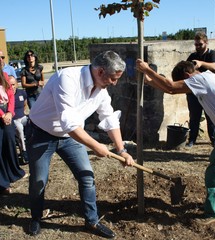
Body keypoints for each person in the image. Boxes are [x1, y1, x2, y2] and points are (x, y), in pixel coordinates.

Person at [27, 51, 135, 238]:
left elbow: (109, 117)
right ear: (100, 71)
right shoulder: (67, 78)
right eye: (113, 78)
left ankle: (92, 221)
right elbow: (68, 123)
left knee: (87, 177)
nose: (114, 83)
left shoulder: (101, 89)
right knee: (39, 181)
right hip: (41, 133)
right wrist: (96, 146)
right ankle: (36, 218)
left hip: (70, 137)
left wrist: (122, 150)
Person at [136, 58, 215, 225]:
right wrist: (150, 81)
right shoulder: (208, 76)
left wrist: (147, 70)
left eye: (183, 81)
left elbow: (171, 86)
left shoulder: (199, 80)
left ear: (187, 75)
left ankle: (213, 212)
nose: (185, 85)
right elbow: (171, 91)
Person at [186, 32, 215, 147]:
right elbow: (187, 69)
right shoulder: (192, 56)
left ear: (206, 43)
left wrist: (201, 63)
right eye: (196, 45)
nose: (198, 47)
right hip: (194, 92)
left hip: (209, 93)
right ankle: (192, 140)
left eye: (200, 44)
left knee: (211, 117)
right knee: (194, 117)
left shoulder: (212, 54)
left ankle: (214, 140)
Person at [0, 69, 25, 195]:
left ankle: (13, 172)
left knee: (9, 144)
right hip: (1, 115)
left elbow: (10, 94)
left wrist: (9, 112)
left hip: (7, 114)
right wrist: (2, 115)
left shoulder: (3, 75)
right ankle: (3, 183)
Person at [9, 75, 29, 164]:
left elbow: (25, 104)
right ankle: (24, 151)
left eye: (13, 84)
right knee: (20, 130)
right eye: (9, 85)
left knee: (34, 123)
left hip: (23, 117)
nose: (12, 87)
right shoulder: (6, 96)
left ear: (17, 84)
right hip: (14, 120)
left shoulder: (22, 93)